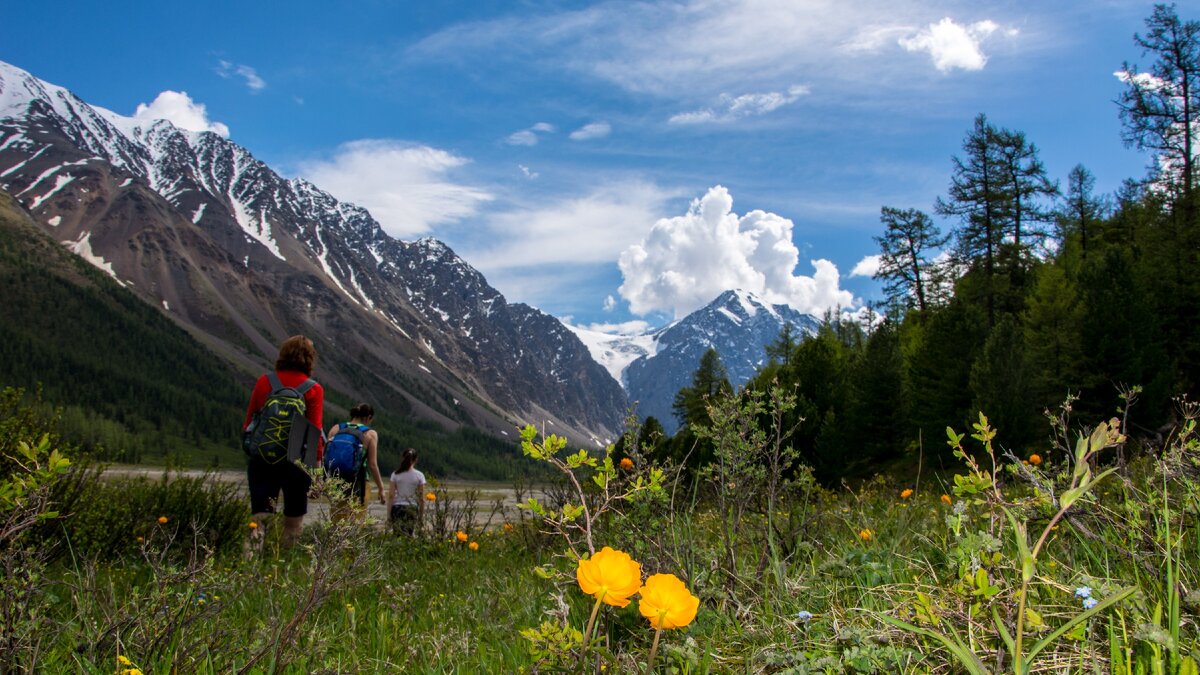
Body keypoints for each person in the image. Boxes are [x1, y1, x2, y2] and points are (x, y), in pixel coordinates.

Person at [243, 335, 323, 547]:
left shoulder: (265, 381)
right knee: (293, 523)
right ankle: (286, 569)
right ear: (309, 358)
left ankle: (250, 568)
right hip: (296, 459)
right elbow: (314, 434)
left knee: (259, 519)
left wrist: (254, 452)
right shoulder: (313, 389)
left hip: (263, 457)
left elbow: (250, 422)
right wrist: (316, 473)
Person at [325, 403, 386, 515]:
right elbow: (372, 465)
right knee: (356, 521)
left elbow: (326, 455)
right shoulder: (370, 434)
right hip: (359, 482)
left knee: (337, 520)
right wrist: (381, 488)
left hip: (336, 481)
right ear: (368, 417)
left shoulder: (336, 428)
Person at [387, 448, 426, 535]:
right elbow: (421, 498)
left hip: (397, 507)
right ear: (416, 460)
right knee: (408, 534)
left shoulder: (395, 474)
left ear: (402, 458)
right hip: (411, 508)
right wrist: (421, 517)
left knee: (397, 534)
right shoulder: (419, 475)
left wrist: (388, 516)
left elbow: (391, 495)